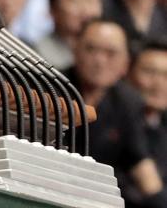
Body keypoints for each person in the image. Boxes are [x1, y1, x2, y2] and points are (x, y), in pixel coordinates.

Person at [69, 19, 164, 204]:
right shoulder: (51, 89)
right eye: (91, 49)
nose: (99, 60)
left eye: (111, 53)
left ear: (125, 63)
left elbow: (140, 164)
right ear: (75, 50)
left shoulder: (128, 102)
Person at [127, 41, 167, 207]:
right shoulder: (115, 122)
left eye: (166, 76)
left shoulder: (162, 128)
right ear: (128, 72)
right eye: (150, 72)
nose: (158, 84)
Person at [35, 0, 102, 71]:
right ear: (52, 9)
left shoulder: (109, 50)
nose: (85, 10)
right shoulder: (38, 54)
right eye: (75, 2)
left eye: (90, 1)